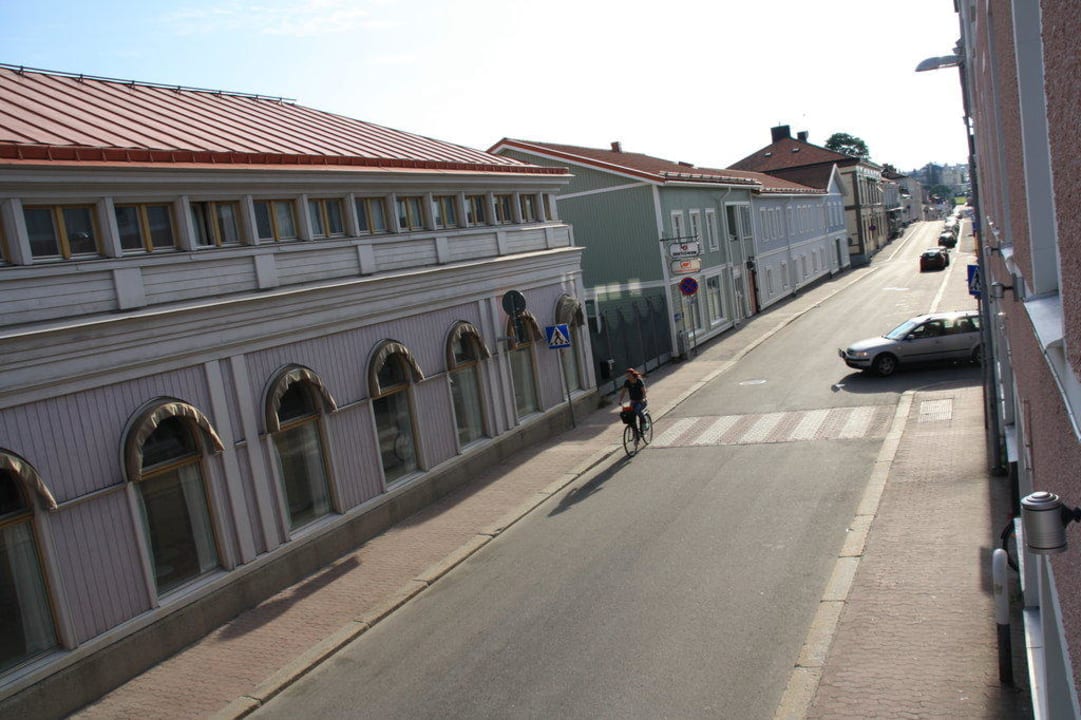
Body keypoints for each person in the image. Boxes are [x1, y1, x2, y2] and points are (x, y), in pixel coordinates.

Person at [618, 368, 648, 435]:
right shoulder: (627, 382)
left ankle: (644, 423)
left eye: (629, 375)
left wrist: (644, 398)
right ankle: (635, 431)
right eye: (627, 376)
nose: (628, 377)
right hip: (633, 401)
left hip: (641, 401)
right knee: (630, 415)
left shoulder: (639, 381)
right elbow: (623, 392)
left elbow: (644, 391)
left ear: (633, 374)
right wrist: (620, 400)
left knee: (637, 411)